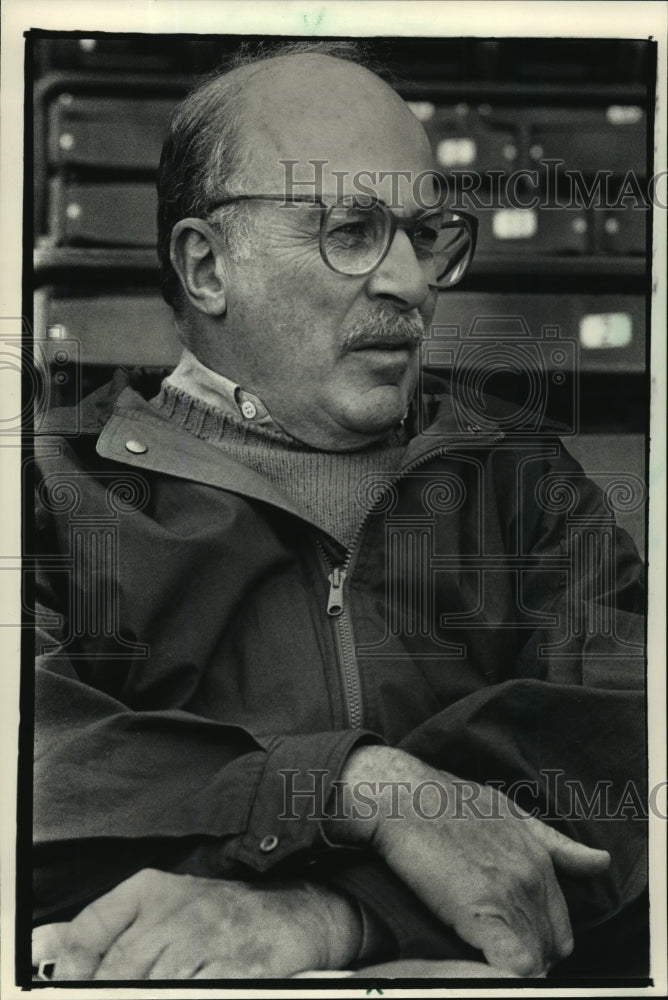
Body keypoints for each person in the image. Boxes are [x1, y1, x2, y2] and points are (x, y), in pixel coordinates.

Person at [31, 41, 647, 981]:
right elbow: (38, 776)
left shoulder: (526, 490)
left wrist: (335, 916)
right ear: (206, 267)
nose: (409, 284)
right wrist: (356, 784)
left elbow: (626, 765)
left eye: (425, 235)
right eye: (352, 230)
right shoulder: (53, 494)